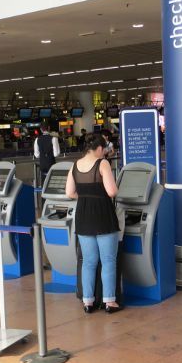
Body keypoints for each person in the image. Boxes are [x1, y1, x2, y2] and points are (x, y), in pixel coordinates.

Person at [65, 133, 122, 314]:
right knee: (108, 260)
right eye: (104, 149)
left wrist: (85, 197)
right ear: (98, 148)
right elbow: (112, 191)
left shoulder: (75, 165)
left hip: (83, 215)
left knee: (88, 261)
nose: (105, 152)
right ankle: (109, 301)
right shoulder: (102, 164)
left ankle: (88, 302)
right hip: (103, 214)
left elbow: (70, 193)